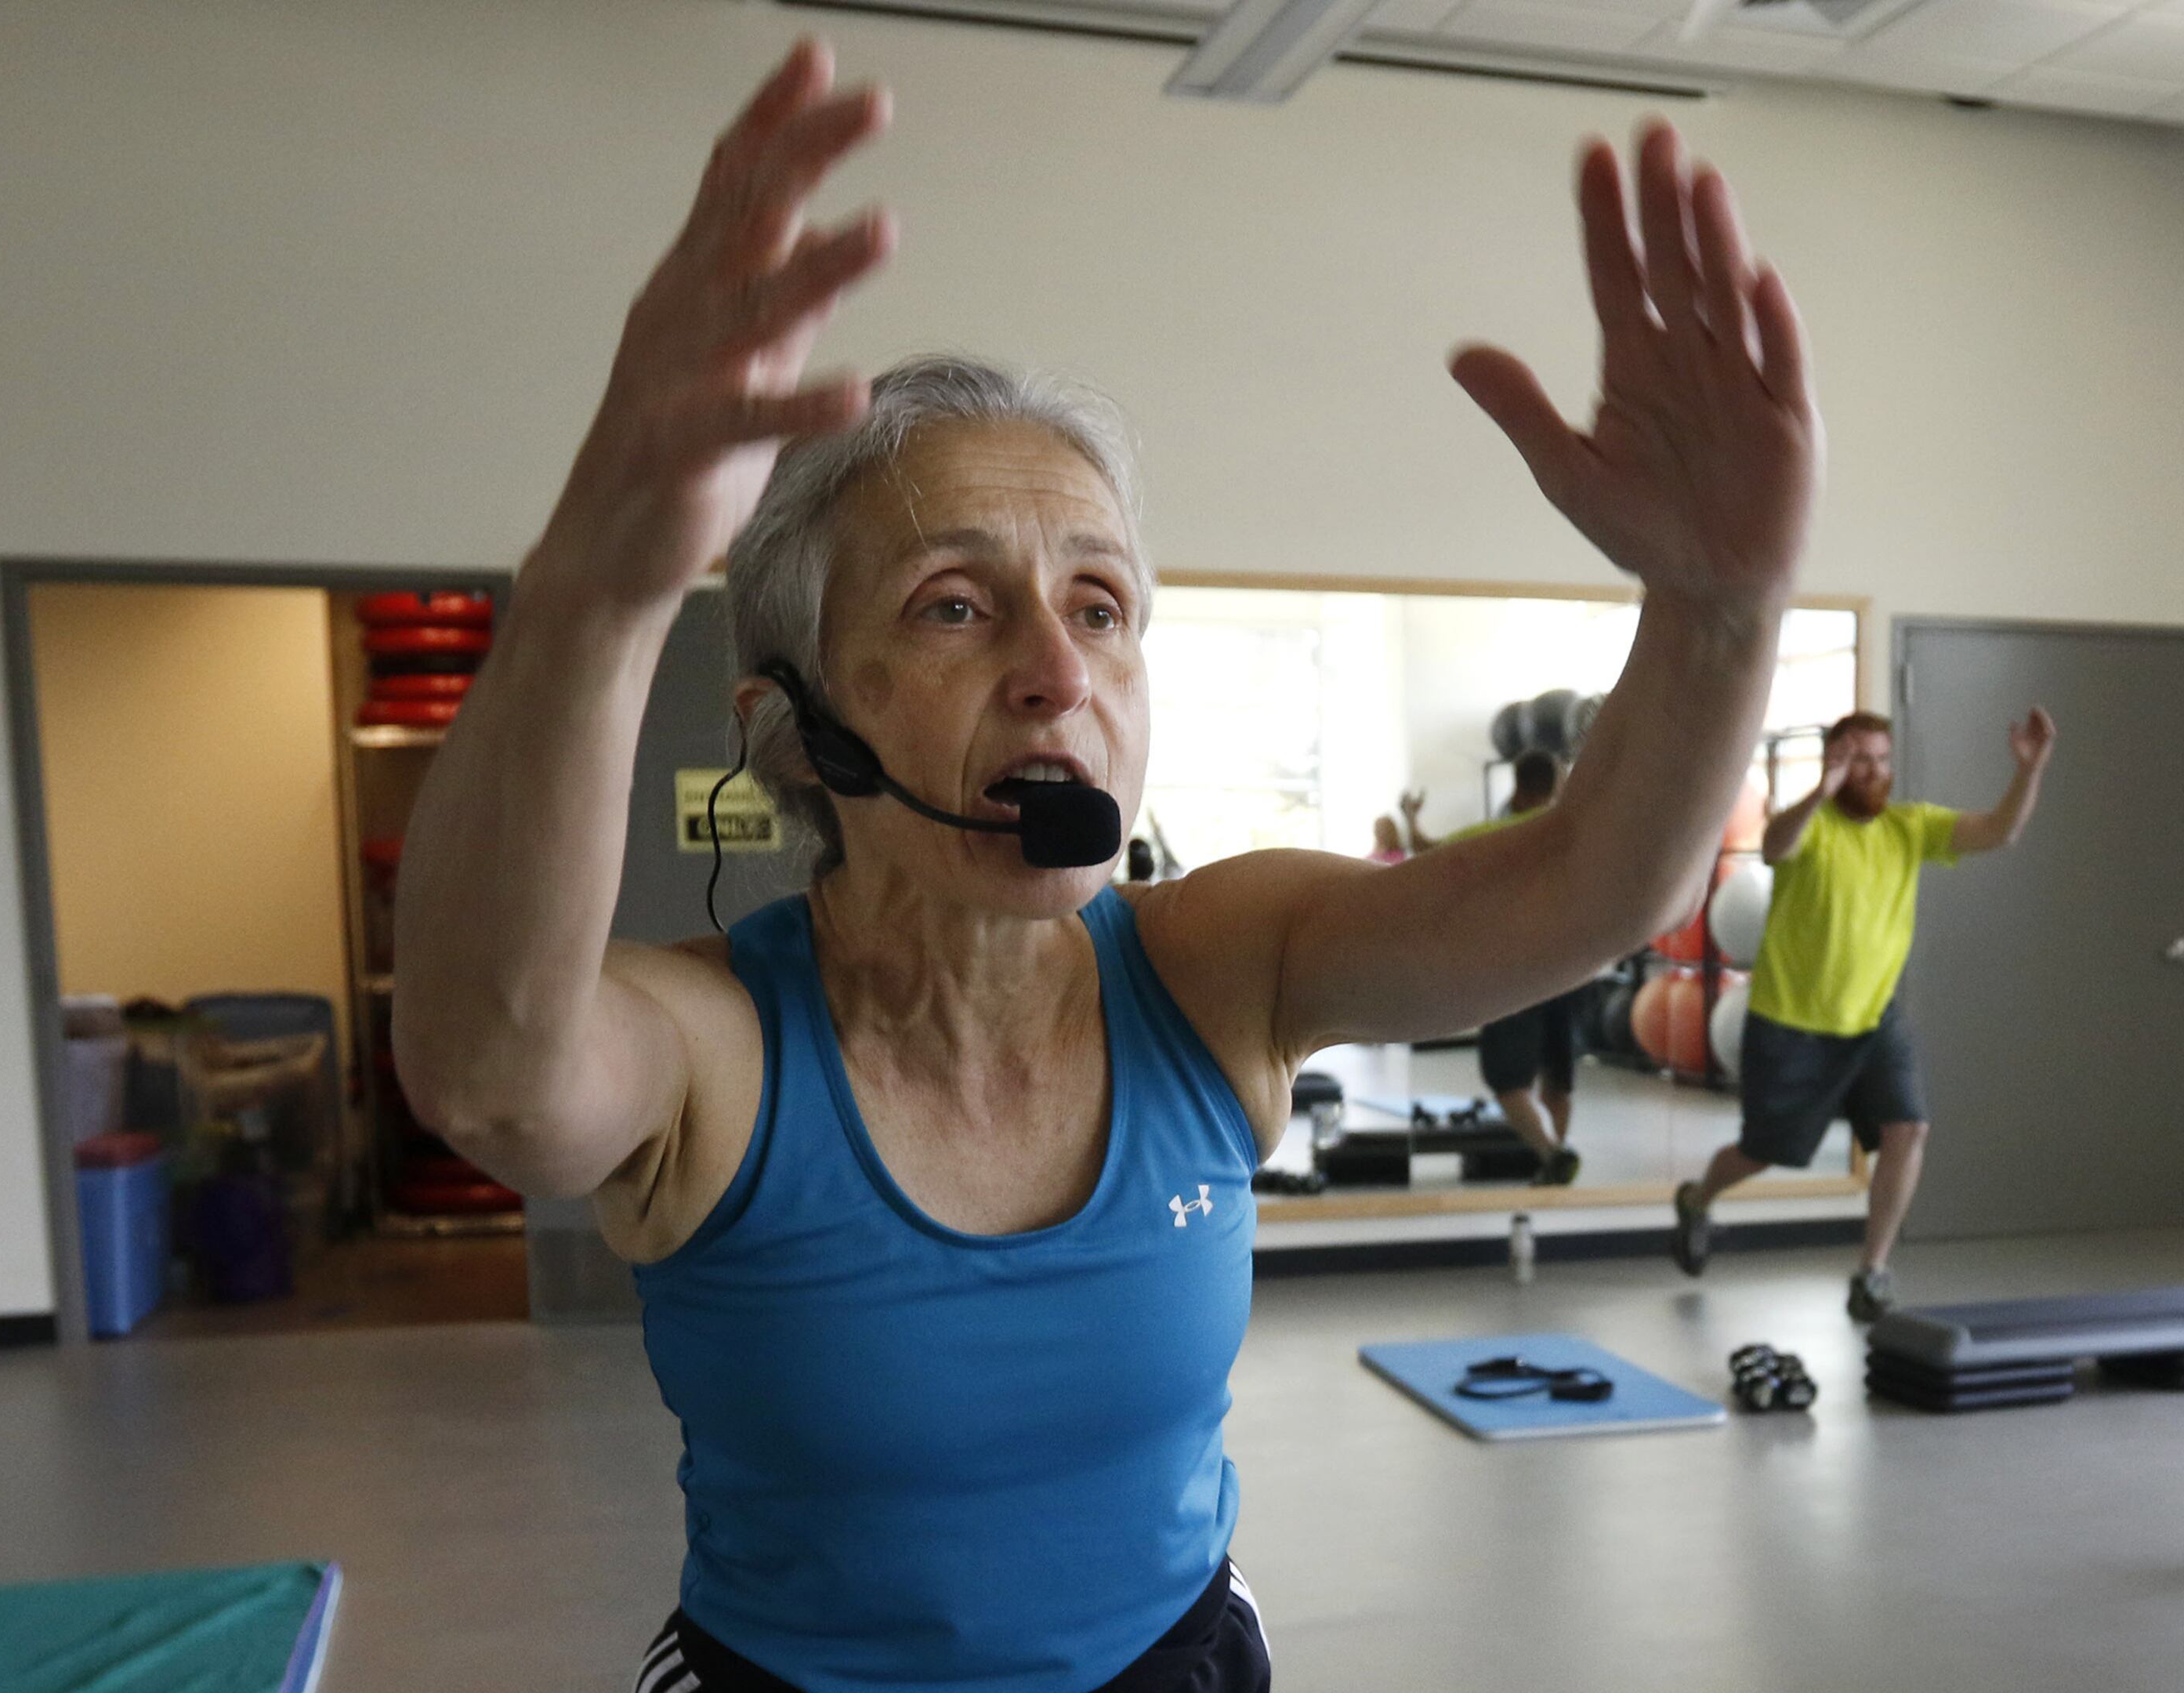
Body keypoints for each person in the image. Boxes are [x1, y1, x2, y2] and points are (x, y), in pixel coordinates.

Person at [389, 38, 1822, 1693]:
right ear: (794, 734)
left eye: (1100, 606)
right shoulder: (716, 1048)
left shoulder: (1222, 967)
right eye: (952, 602)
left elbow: (1587, 889)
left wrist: (1721, 611)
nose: (1057, 671)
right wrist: (594, 584)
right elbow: (498, 1079)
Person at [1668, 704, 2056, 1321]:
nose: (1872, 772)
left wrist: (2029, 771)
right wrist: (1820, 789)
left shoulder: (1910, 827)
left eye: (1880, 760)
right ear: (1835, 764)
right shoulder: (1811, 826)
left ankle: (1872, 1271)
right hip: (1792, 1023)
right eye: (1857, 761)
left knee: (1910, 1129)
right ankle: (1698, 1198)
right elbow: (1773, 846)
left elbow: (1999, 832)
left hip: (1875, 1020)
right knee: (1764, 1152)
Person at [1444, 750, 1585, 1183]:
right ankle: (1555, 1155)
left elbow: (1426, 853)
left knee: (1508, 1082)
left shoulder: (1494, 834)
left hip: (1517, 977)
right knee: (1558, 1080)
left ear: (1519, 788)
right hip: (1575, 972)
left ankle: (1549, 1154)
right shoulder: (1578, 836)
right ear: (1557, 786)